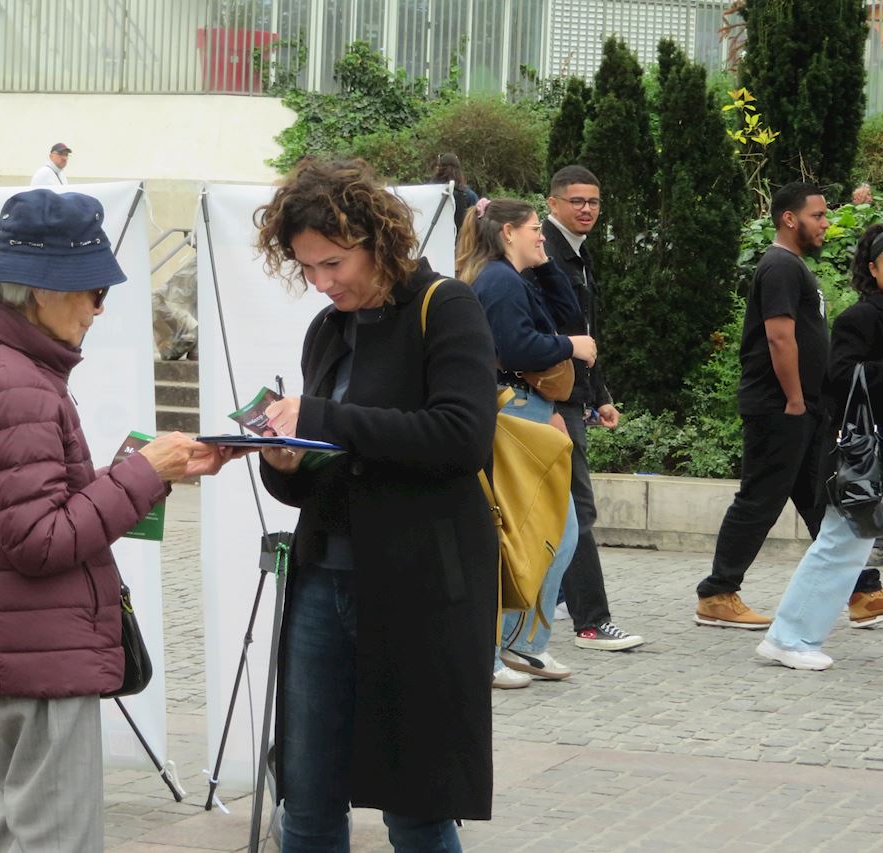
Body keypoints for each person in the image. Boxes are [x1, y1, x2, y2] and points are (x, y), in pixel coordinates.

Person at [0, 189, 227, 851]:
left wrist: (158, 471)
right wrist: (141, 472)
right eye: (93, 290)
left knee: (24, 833)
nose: (99, 307)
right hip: (40, 654)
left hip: (17, 646)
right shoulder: (15, 381)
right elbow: (40, 540)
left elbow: (34, 505)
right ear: (42, 289)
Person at [254, 159, 498, 850]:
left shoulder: (445, 307)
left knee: (416, 806)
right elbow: (328, 471)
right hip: (322, 578)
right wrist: (284, 461)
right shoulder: (327, 330)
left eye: (333, 263)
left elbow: (462, 437)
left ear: (377, 240)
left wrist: (323, 418)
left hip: (418, 589)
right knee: (306, 799)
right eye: (307, 267)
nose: (321, 283)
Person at [695, 182, 883, 629]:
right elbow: (779, 337)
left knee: (825, 502)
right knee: (760, 498)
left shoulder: (794, 266)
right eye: (817, 215)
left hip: (804, 407)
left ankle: (864, 592)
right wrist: (796, 400)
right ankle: (717, 593)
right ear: (789, 218)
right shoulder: (780, 266)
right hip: (780, 406)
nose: (825, 223)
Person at [757, 223, 883, 670]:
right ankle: (788, 638)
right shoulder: (862, 317)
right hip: (867, 457)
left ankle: (790, 637)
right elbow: (840, 376)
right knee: (839, 547)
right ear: (873, 269)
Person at [459, 197, 590, 688]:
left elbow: (568, 313)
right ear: (508, 233)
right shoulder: (499, 280)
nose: (542, 236)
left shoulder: (511, 277)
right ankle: (501, 645)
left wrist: (547, 263)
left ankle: (520, 642)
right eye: (535, 228)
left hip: (526, 409)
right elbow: (514, 347)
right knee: (532, 534)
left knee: (553, 532)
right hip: (513, 411)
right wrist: (571, 347)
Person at [539, 166, 646, 652]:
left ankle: (560, 599)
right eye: (576, 201)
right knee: (576, 509)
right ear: (552, 204)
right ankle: (592, 621)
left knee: (560, 508)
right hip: (551, 400)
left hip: (569, 396)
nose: (587, 209)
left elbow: (586, 335)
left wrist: (598, 395)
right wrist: (553, 403)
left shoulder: (578, 253)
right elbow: (540, 337)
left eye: (594, 202)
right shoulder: (543, 255)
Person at [433, 152, 479, 232]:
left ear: (439, 170)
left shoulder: (429, 193)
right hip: (461, 238)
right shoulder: (470, 196)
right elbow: (476, 226)